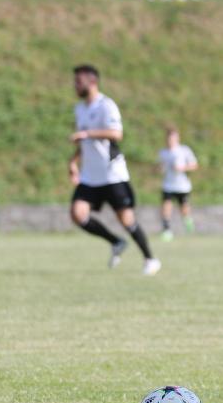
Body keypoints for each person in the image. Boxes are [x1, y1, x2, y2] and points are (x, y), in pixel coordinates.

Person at [68, 65, 160, 275]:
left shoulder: (106, 106)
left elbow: (116, 134)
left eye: (78, 82)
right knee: (77, 213)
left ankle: (150, 258)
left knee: (126, 220)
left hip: (112, 174)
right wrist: (73, 162)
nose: (75, 85)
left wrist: (88, 134)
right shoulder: (80, 109)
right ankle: (116, 241)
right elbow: (84, 142)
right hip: (90, 176)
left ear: (92, 82)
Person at [158, 126, 198, 241]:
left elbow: (194, 165)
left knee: (184, 208)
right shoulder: (163, 152)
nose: (170, 141)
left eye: (173, 138)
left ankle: (188, 221)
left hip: (182, 185)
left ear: (177, 138)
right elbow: (158, 167)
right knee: (166, 206)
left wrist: (182, 168)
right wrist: (160, 168)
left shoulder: (184, 150)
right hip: (168, 185)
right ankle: (167, 230)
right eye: (169, 139)